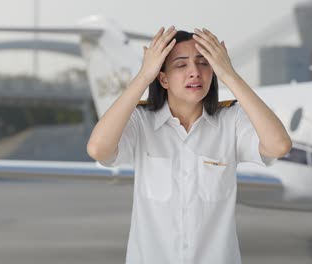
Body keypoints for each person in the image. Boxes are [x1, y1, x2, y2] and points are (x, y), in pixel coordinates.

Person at [87, 25, 292, 264]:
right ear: (162, 78)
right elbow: (98, 149)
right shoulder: (141, 122)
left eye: (204, 63)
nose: (195, 72)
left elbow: (279, 146)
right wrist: (144, 76)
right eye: (181, 65)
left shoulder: (231, 121)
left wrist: (230, 75)